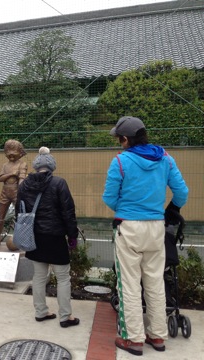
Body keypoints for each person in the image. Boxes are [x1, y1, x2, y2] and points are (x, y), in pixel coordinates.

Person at [103, 116, 188, 356]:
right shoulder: (165, 159)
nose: (118, 142)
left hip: (129, 227)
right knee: (155, 282)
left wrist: (126, 208)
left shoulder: (120, 161)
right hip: (157, 227)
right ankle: (157, 336)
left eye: (119, 138)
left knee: (129, 284)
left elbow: (109, 198)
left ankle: (134, 340)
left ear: (126, 139)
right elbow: (182, 191)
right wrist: (172, 209)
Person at [16, 146, 80, 328]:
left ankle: (41, 312)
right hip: (55, 236)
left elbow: (19, 209)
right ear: (52, 167)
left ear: (36, 167)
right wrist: (72, 236)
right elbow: (68, 212)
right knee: (63, 277)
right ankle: (65, 316)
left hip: (33, 236)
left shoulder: (24, 185)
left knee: (38, 276)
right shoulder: (59, 183)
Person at [0, 139, 28, 247]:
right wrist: (12, 173)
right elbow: (0, 178)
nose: (11, 155)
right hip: (5, 191)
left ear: (20, 153)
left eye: (14, 153)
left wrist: (20, 191)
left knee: (20, 217)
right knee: (0, 217)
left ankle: (22, 240)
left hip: (17, 192)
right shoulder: (5, 165)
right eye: (8, 153)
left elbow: (22, 178)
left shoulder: (22, 164)